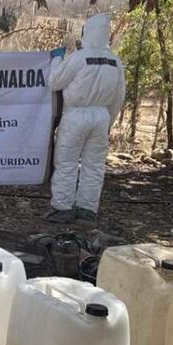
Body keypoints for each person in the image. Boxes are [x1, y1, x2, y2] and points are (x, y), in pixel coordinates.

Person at [46, 13, 126, 224]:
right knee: (94, 165)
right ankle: (87, 210)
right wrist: (109, 121)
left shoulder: (79, 58)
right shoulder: (115, 62)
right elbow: (119, 97)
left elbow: (54, 82)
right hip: (101, 116)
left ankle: (62, 207)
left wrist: (56, 59)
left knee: (66, 162)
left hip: (75, 116)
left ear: (87, 32)